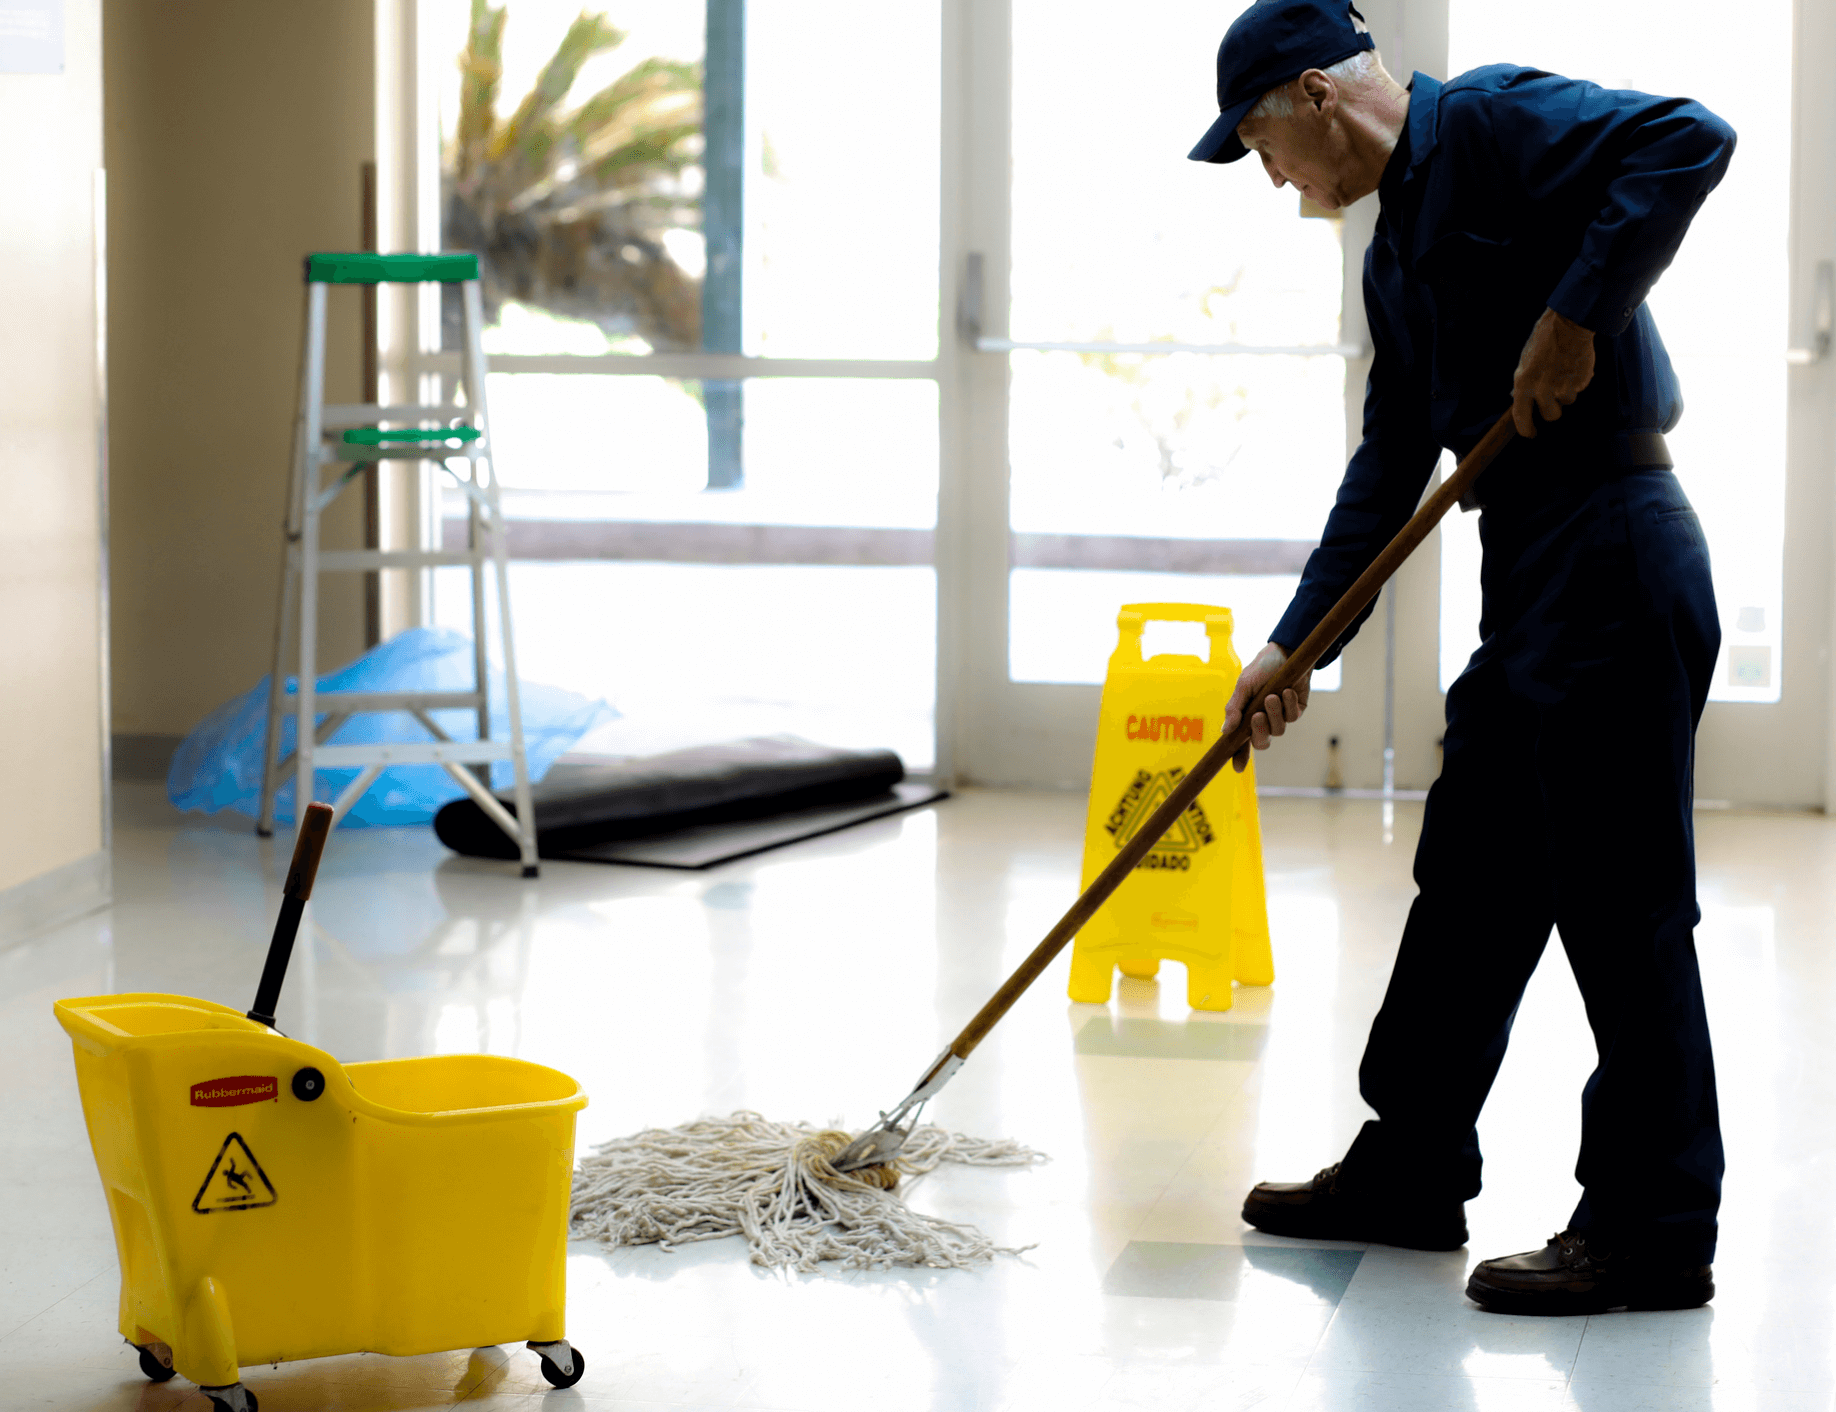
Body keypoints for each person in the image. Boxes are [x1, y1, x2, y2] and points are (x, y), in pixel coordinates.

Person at [1189, 0, 1735, 1315]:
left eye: (1264, 145)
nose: (1273, 180)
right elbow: (1387, 470)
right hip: (1536, 563)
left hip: (1615, 538)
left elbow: (1686, 140)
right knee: (1475, 875)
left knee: (1621, 900)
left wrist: (1576, 310)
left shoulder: (1489, 123)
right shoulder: (1392, 256)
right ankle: (1409, 1167)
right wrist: (1293, 647)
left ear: (1318, 96)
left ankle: (1654, 1228)